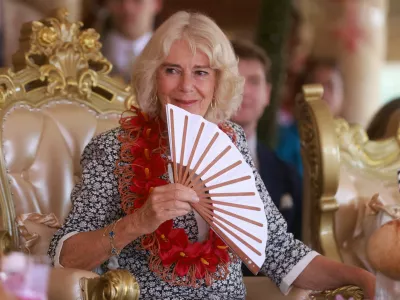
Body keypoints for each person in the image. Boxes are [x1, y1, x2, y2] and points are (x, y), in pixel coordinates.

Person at [48, 11, 375, 300]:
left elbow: (278, 250)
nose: (186, 86)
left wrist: (361, 278)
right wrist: (138, 222)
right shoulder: (114, 148)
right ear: (153, 76)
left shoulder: (232, 142)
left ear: (219, 81)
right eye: (172, 70)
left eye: (201, 72)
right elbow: (65, 256)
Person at [230, 39, 302, 241]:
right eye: (235, 80)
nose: (244, 91)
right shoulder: (190, 164)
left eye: (254, 81)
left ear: (268, 94)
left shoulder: (287, 175)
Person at [276, 58, 344, 177]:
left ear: (342, 95)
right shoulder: (287, 140)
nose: (323, 93)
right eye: (316, 86)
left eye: (330, 86)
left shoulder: (347, 141)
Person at [101, 0, 163, 81]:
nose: (127, 8)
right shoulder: (87, 54)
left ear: (157, 3)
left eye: (137, 1)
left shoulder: (171, 56)